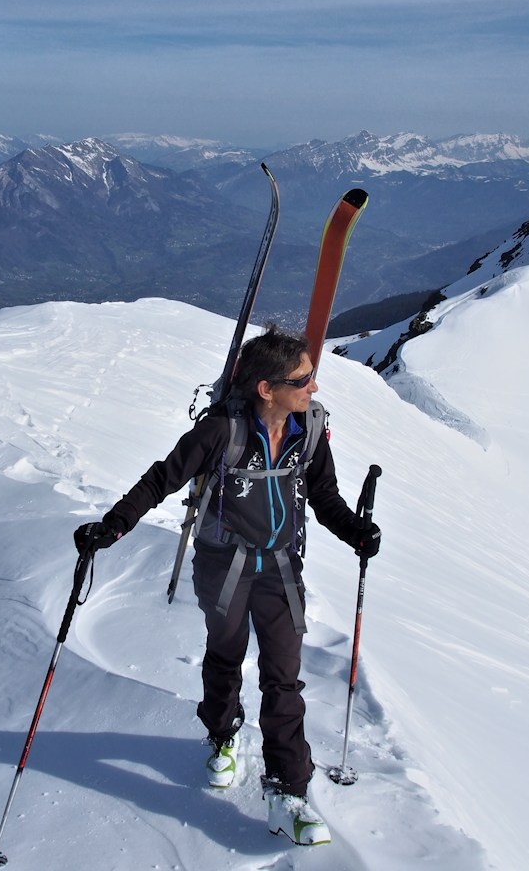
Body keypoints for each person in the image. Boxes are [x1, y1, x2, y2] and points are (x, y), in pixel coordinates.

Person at [74, 324, 381, 847]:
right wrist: (114, 524)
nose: (314, 387)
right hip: (225, 567)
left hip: (282, 566)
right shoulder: (221, 431)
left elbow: (323, 494)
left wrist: (355, 530)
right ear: (267, 388)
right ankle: (222, 735)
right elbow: (161, 478)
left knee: (283, 677)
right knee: (225, 654)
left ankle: (287, 792)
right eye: (303, 378)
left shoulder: (309, 427)